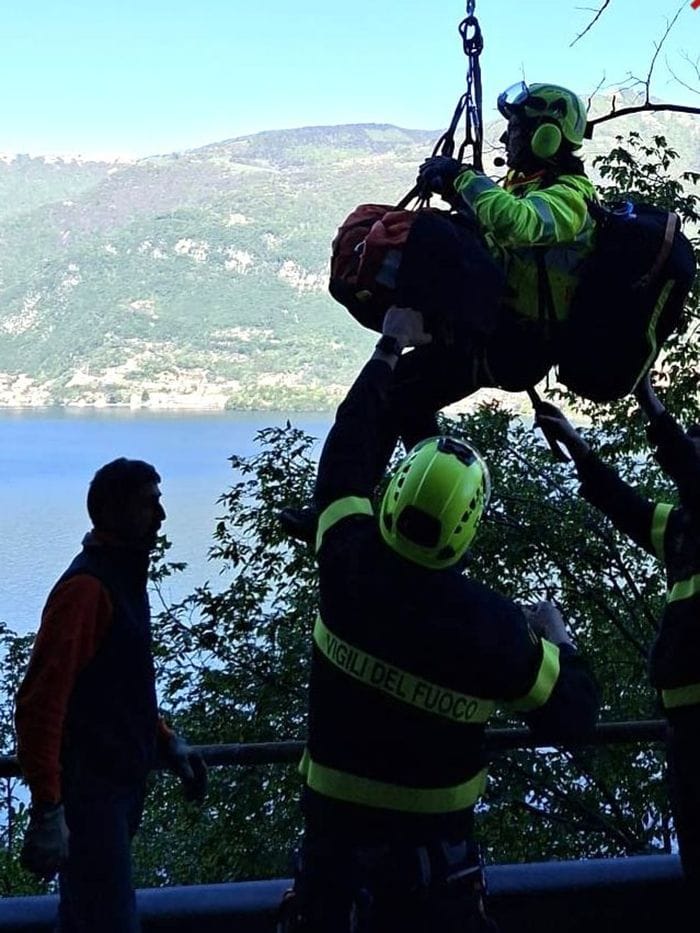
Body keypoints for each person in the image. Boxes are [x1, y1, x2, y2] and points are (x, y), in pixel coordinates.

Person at [278, 306, 600, 932]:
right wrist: (558, 639)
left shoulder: (347, 559)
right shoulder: (492, 628)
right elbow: (574, 714)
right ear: (469, 524)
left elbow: (348, 448)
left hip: (332, 866)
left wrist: (390, 346)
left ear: (393, 493)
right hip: (433, 879)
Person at [280, 81, 597, 543]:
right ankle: (414, 511)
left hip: (517, 344)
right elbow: (496, 231)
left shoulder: (570, 197)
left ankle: (362, 511)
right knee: (403, 397)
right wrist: (458, 193)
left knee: (397, 392)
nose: (507, 138)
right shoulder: (525, 187)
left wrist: (462, 180)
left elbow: (520, 222)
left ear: (546, 137)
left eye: (516, 129)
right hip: (498, 332)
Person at [15, 458, 208, 933]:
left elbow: (115, 686)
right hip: (92, 796)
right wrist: (49, 808)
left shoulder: (121, 576)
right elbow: (40, 703)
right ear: (115, 511)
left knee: (87, 918)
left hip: (117, 789)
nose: (161, 516)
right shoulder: (87, 589)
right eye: (150, 504)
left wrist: (163, 738)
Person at [534, 377, 700, 887]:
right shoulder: (682, 528)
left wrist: (648, 402)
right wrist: (576, 444)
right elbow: (622, 502)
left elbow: (685, 465)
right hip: (686, 739)